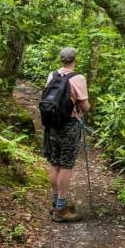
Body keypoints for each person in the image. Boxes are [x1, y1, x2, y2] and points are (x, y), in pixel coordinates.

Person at [42, 47, 90, 223]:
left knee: (55, 162)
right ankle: (61, 210)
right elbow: (84, 107)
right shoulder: (78, 78)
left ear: (61, 59)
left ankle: (56, 203)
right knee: (66, 165)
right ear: (74, 60)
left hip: (52, 125)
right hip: (69, 125)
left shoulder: (52, 75)